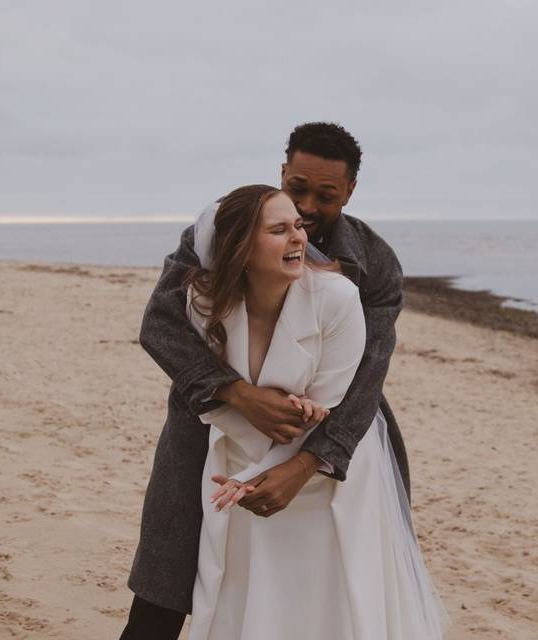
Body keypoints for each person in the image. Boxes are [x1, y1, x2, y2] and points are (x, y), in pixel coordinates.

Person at [122, 123, 412, 639]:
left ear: (349, 191)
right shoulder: (223, 227)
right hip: (206, 420)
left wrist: (309, 463)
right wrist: (235, 393)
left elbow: (368, 373)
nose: (305, 208)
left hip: (333, 428)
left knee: (316, 597)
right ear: (281, 173)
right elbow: (161, 322)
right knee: (164, 592)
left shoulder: (375, 263)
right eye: (296, 188)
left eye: (325, 195)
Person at [186, 184, 446, 638]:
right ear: (241, 248)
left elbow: (323, 409)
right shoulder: (205, 303)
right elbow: (210, 393)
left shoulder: (338, 299)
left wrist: (265, 475)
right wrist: (243, 478)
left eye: (299, 227)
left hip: (325, 473)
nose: (299, 238)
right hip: (237, 462)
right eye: (279, 229)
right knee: (248, 590)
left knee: (326, 598)